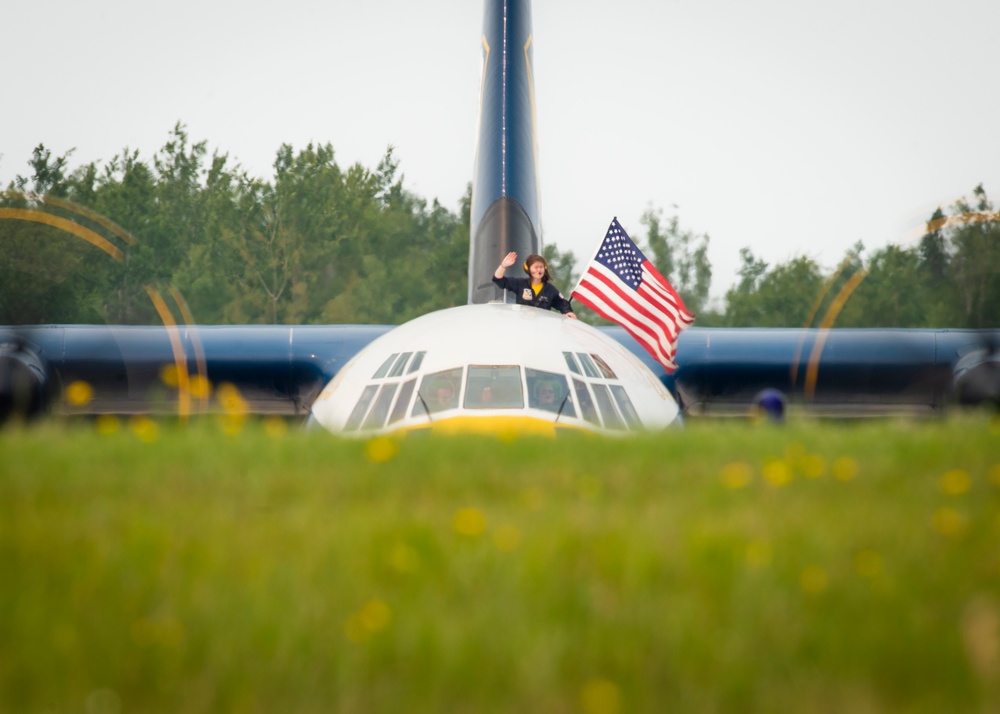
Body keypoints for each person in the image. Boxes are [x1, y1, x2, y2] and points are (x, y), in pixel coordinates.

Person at [493, 252, 577, 318]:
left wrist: (568, 312)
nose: (539, 270)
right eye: (536, 267)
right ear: (528, 269)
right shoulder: (520, 284)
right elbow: (498, 280)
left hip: (541, 328)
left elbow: (563, 304)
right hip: (523, 324)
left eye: (541, 267)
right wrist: (503, 266)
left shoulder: (550, 290)